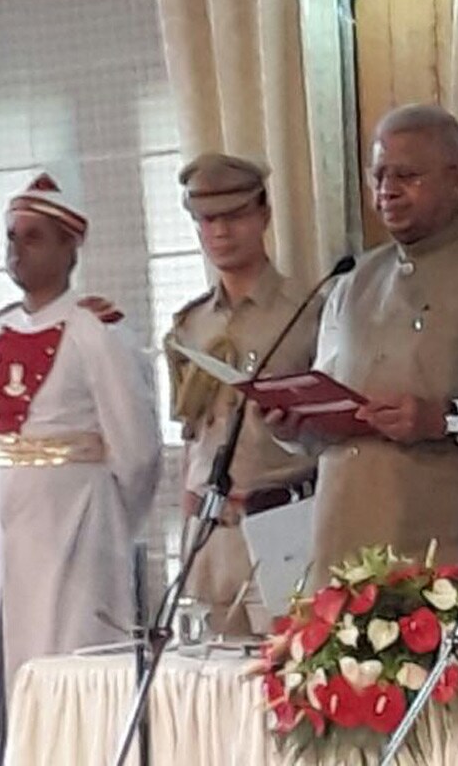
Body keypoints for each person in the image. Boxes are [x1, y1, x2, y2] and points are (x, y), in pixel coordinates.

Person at [272, 105, 458, 583]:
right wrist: (298, 425)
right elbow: (334, 405)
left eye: (407, 176)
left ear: (455, 179)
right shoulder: (350, 282)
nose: (387, 191)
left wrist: (447, 418)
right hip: (347, 563)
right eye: (378, 176)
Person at [0, 173, 160, 766]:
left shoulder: (95, 330)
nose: (16, 250)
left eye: (33, 237)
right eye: (11, 236)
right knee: (2, 649)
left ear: (69, 247)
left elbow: (137, 447)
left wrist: (108, 521)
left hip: (76, 521)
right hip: (5, 522)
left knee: (71, 649)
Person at [164, 154, 317, 637]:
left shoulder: (308, 313)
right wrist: (187, 530)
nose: (220, 232)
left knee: (290, 664)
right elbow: (191, 437)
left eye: (234, 216)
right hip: (211, 531)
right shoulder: (191, 324)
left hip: (283, 522)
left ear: (264, 214)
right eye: (206, 220)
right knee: (208, 673)